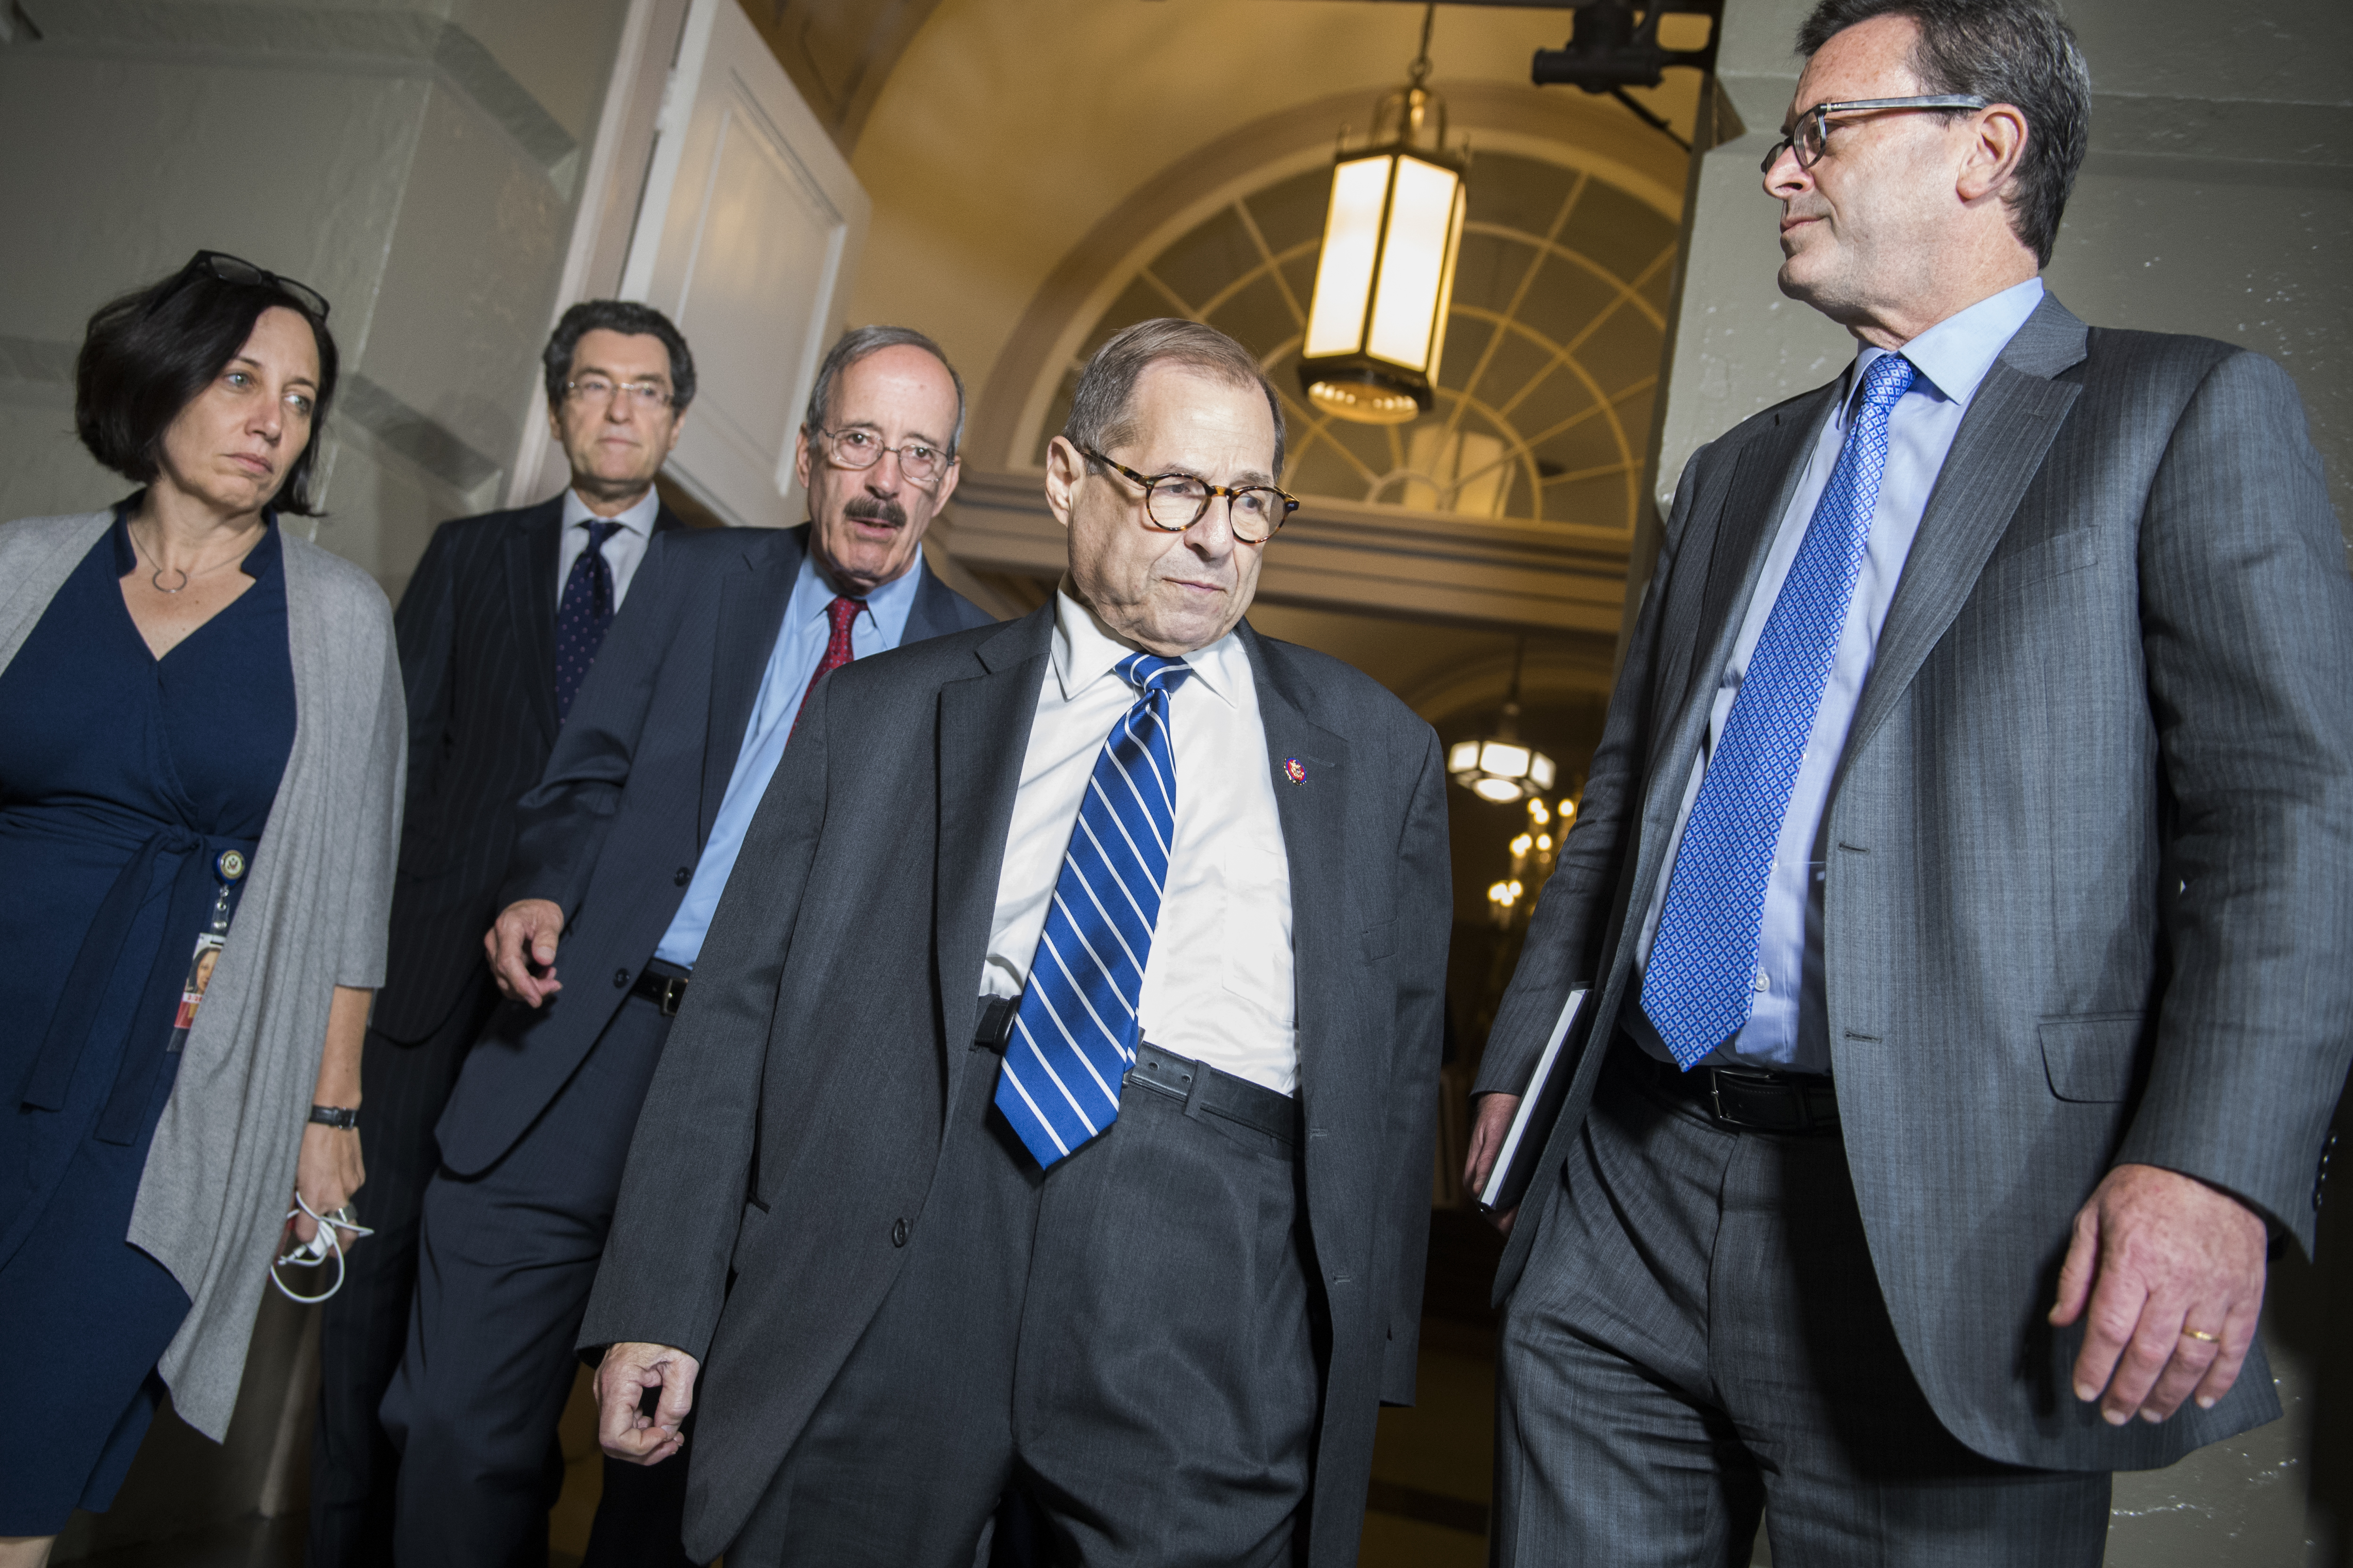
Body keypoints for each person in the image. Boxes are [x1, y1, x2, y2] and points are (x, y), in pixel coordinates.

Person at [1464, 1, 2353, 1562]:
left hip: (1956, 1224)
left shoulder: (2182, 415)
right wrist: (1526, 1055)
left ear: (1984, 148)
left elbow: (2297, 816)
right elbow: (1629, 795)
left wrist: (2214, 1164)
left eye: (1822, 132)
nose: (1777, 171)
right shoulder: (1731, 472)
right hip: (1626, 1181)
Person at [579, 317, 1453, 1568]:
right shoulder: (882, 716)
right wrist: (662, 1296)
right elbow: (739, 1013)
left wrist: (1363, 1355)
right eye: (1177, 490)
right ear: (1065, 476)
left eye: (1253, 500)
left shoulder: (1378, 757)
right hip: (907, 1230)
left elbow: (1394, 1074)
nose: (1218, 536)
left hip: (1205, 1268)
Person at [381, 324, 995, 1566]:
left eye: (917, 453)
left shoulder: (981, 671)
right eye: (861, 441)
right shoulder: (695, 578)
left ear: (949, 480)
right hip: (581, 1046)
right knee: (450, 1429)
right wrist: (544, 888)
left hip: (770, 1106)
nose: (885, 479)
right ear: (812, 452)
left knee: (669, 1474)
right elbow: (583, 775)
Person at [0, 252, 402, 1561]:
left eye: (298, 398)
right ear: (160, 382)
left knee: (36, 1422)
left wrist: (330, 1111)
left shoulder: (335, 618)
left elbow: (352, 880)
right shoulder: (25, 568)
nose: (272, 419)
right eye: (241, 380)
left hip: (178, 1079)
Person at [308, 299, 695, 1568]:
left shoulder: (715, 586)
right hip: (422, 1003)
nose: (620, 409)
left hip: (572, 1017)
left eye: (646, 389)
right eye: (595, 385)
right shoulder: (472, 556)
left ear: (676, 417)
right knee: (366, 1311)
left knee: (508, 1347)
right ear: (559, 404)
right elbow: (390, 772)